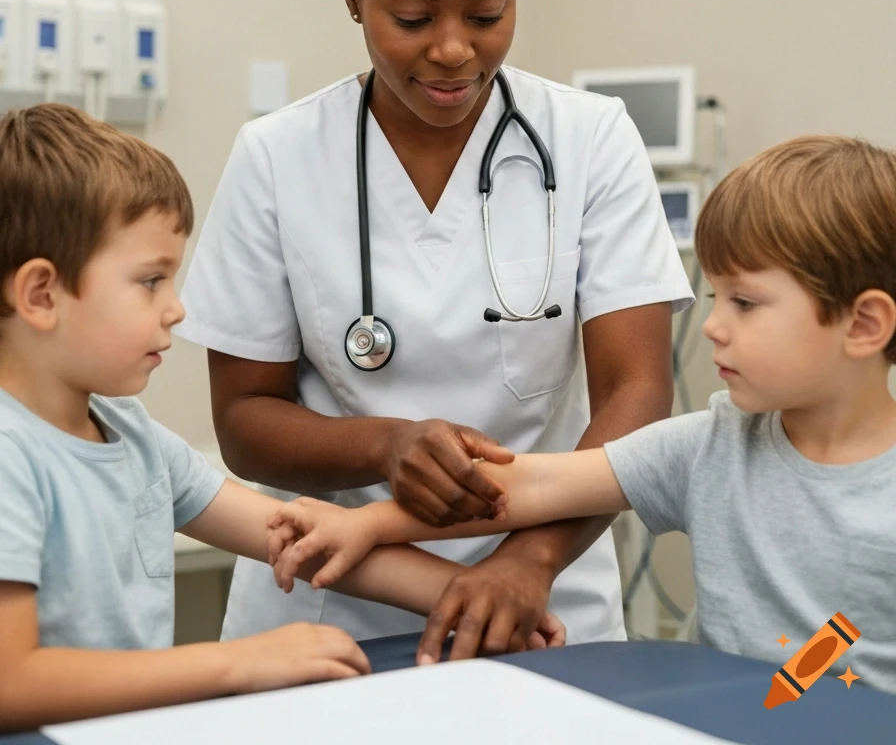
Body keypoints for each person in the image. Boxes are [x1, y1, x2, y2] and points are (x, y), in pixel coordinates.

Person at [178, 0, 693, 657]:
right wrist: (387, 444)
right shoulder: (276, 156)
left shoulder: (590, 139)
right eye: (412, 16)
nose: (454, 48)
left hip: (545, 604)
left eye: (488, 12)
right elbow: (244, 420)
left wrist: (527, 562)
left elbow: (637, 396)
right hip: (328, 614)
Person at [268, 135, 896, 693]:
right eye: (714, 297)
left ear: (864, 324)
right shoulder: (712, 445)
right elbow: (527, 488)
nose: (712, 327)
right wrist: (371, 524)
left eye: (747, 304)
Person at [0, 104, 544, 732]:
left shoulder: (129, 433)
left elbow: (297, 538)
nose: (177, 310)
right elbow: (12, 682)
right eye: (151, 282)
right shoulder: (12, 455)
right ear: (41, 295)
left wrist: (471, 597)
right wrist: (237, 663)